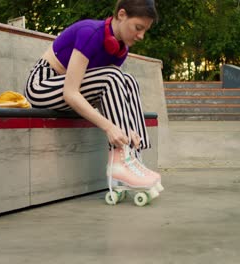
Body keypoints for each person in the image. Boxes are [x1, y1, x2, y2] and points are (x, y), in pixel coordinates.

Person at [24, 0, 163, 206]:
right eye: (138, 28)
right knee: (113, 75)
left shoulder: (120, 50)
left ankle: (134, 158)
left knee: (128, 80)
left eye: (145, 30)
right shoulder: (90, 33)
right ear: (122, 14)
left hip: (74, 90)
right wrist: (110, 127)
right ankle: (120, 164)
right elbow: (71, 92)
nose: (141, 36)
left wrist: (129, 127)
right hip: (43, 85)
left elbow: (106, 94)